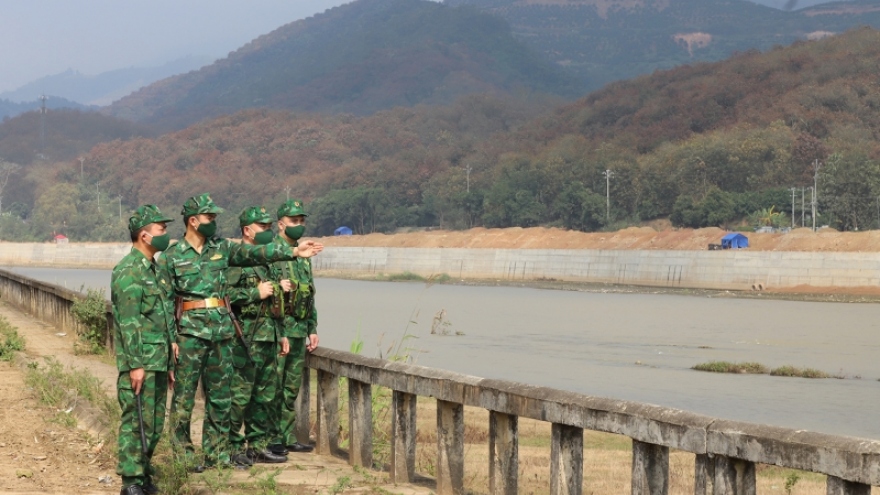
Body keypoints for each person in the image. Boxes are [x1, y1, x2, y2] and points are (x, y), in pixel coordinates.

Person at [157, 193, 322, 470]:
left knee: (221, 399)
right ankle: (183, 455)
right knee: (184, 400)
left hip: (221, 333)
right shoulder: (172, 256)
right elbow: (164, 302)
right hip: (189, 334)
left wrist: (293, 251)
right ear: (193, 221)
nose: (214, 222)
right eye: (210, 217)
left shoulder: (223, 248)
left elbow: (255, 252)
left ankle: (218, 454)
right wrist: (171, 340)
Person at [111, 205, 177, 495]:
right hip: (140, 362)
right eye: (161, 230)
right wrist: (135, 364)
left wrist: (171, 359)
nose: (166, 234)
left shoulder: (158, 271)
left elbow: (165, 315)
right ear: (145, 235)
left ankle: (145, 475)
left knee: (153, 423)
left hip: (159, 360)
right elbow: (129, 321)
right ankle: (131, 481)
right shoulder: (128, 271)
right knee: (135, 421)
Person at [227, 207, 290, 464]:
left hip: (268, 336)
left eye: (268, 227)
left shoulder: (266, 263)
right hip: (245, 337)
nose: (268, 231)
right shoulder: (235, 259)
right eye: (262, 227)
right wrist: (255, 293)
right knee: (240, 395)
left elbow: (276, 303)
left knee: (264, 395)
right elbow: (225, 296)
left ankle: (258, 444)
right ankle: (231, 447)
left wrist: (282, 333)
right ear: (247, 230)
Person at [268, 199, 318, 455]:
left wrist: (312, 327)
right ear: (280, 224)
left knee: (290, 388)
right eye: (294, 221)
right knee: (273, 386)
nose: (299, 225)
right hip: (280, 332)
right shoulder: (272, 253)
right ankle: (270, 438)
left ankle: (286, 436)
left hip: (299, 330)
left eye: (301, 221)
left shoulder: (304, 257)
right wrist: (279, 332)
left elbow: (309, 294)